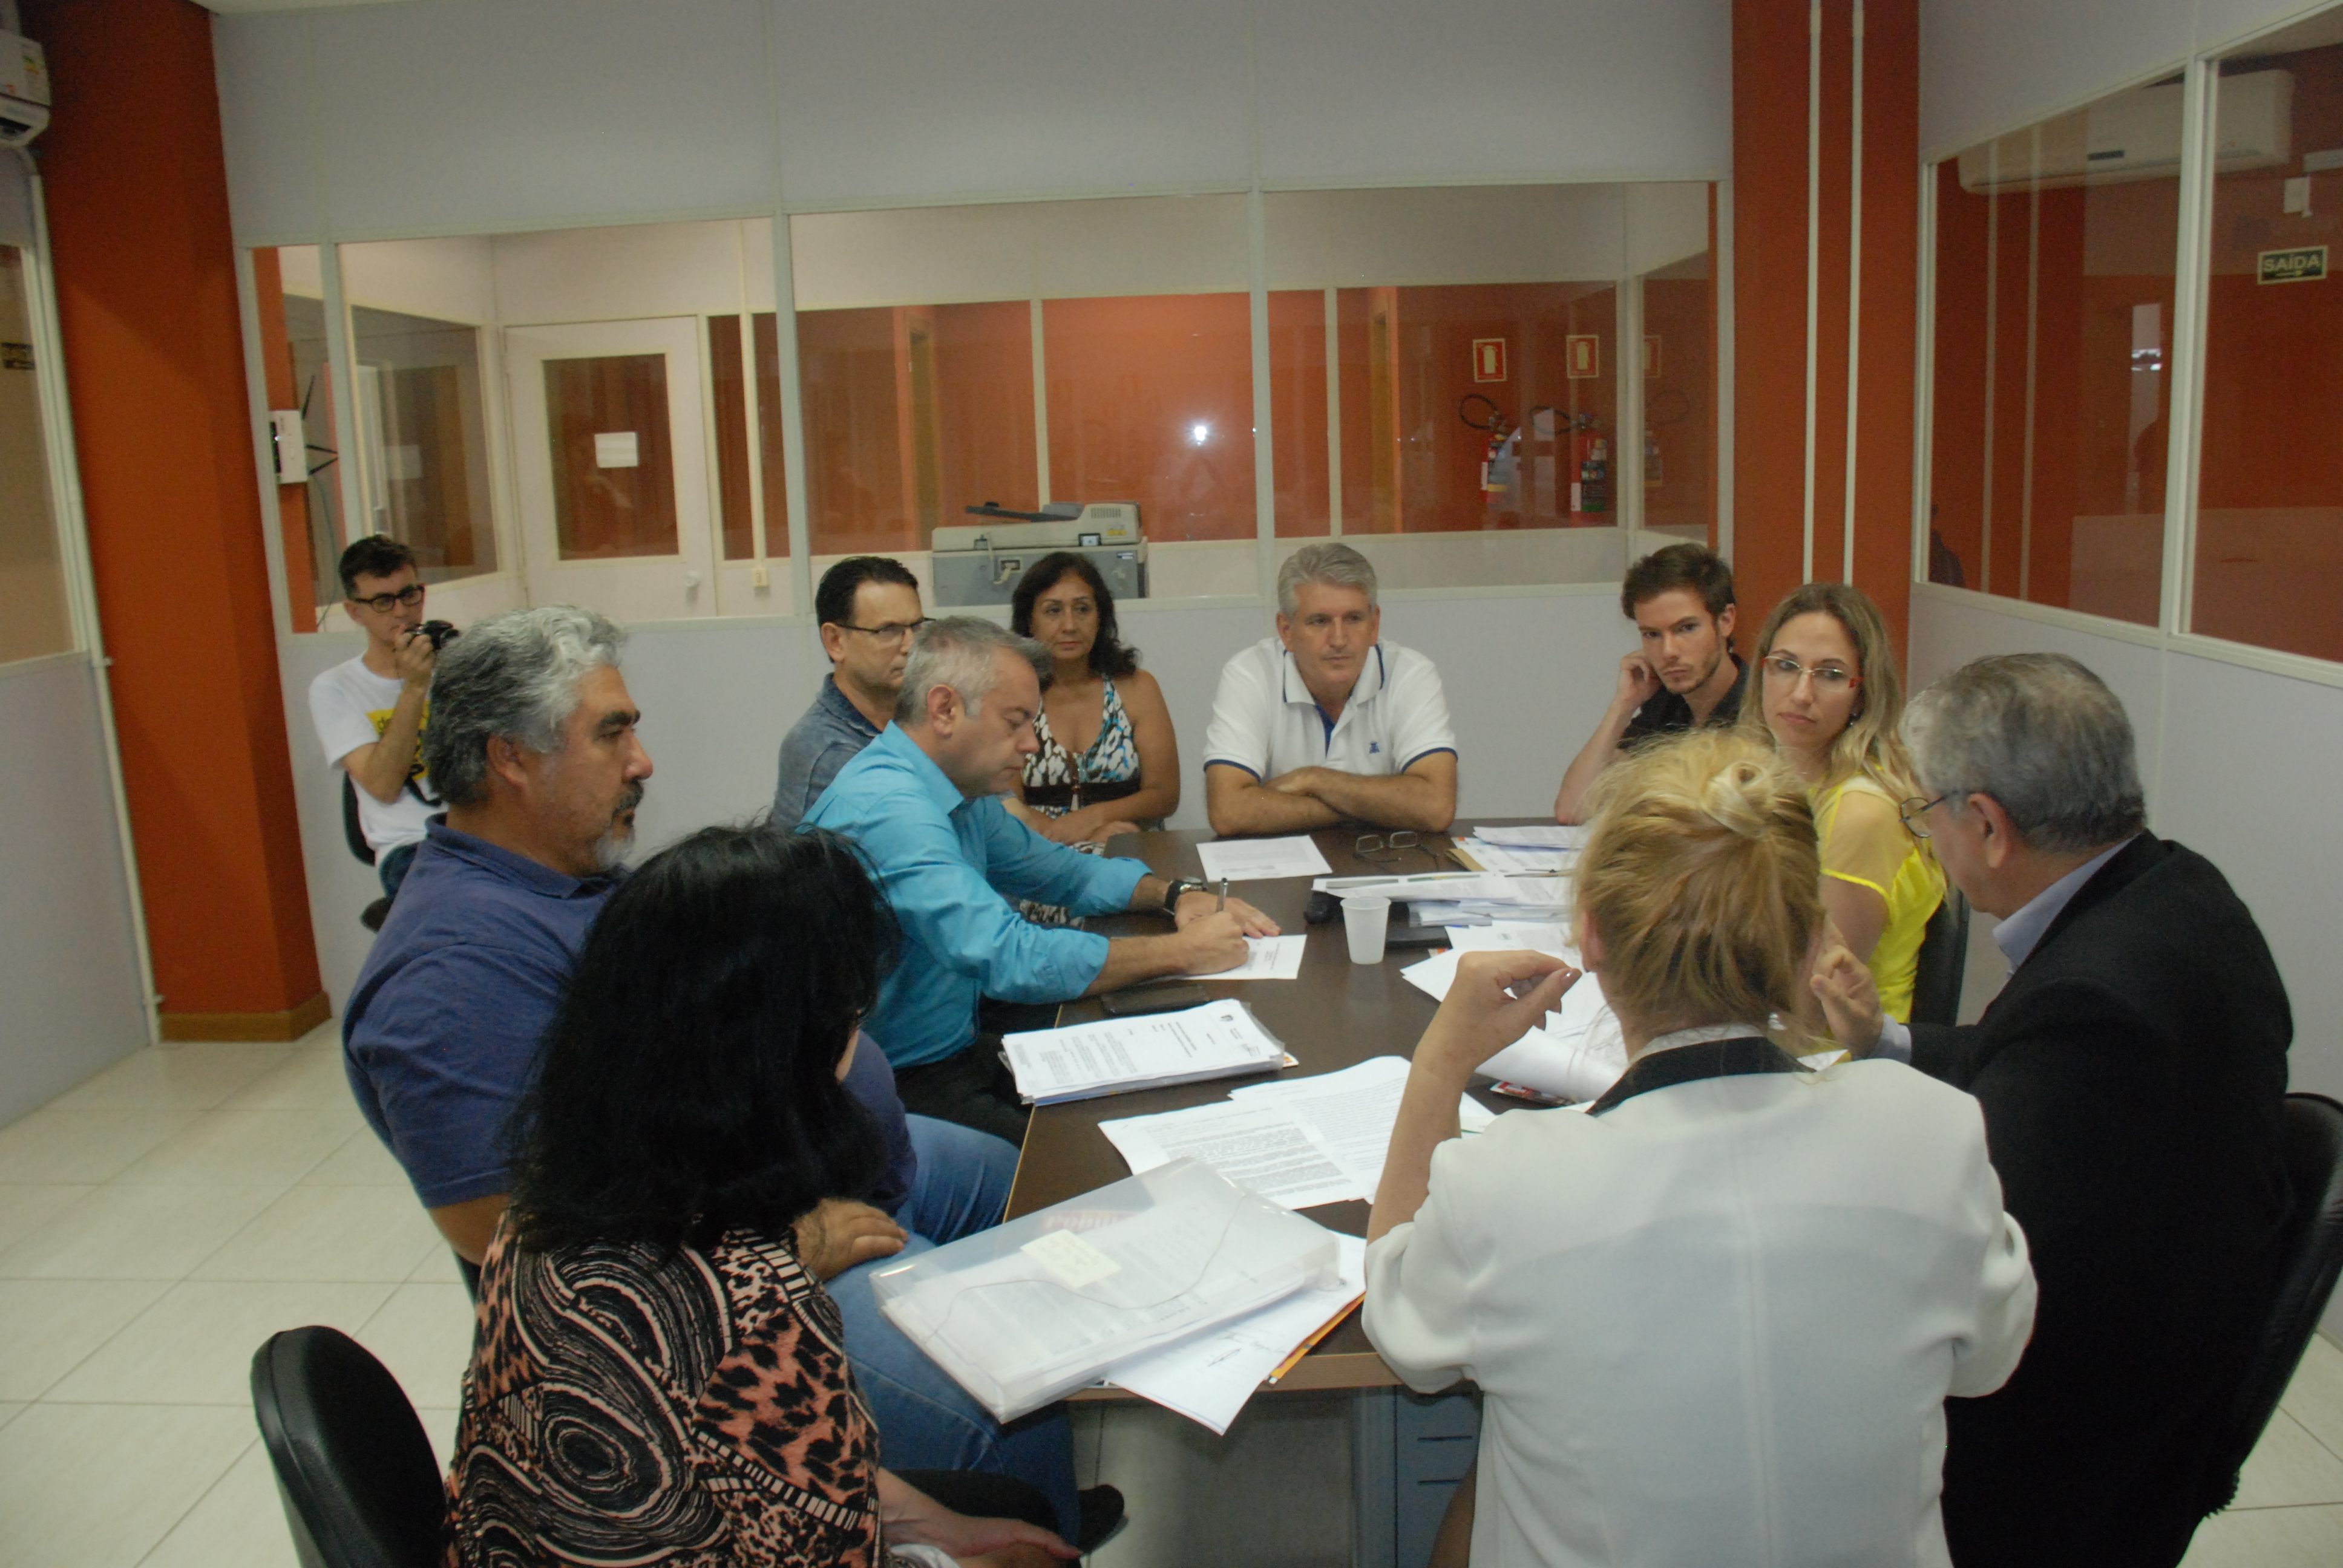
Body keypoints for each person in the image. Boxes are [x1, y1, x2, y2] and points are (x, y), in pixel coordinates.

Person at [342, 606, 1086, 1532]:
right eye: (613, 732)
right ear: (511, 758)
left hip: (789, 1181)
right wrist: (778, 1256)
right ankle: (1025, 1514)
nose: (643, 760)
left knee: (1039, 1186)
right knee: (1013, 1400)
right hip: (723, 1293)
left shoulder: (569, 879)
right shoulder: (452, 971)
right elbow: (502, 1230)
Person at [1365, 729, 2036, 1568]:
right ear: (1810, 941)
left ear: (1594, 938)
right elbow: (1989, 1356)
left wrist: (1438, 1063)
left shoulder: (1510, 1184)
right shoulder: (1936, 1134)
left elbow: (1400, 1326)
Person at [447, 825, 1086, 1568]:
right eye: (851, 1017)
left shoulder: (540, 1210)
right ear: (792, 1056)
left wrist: (932, 1523)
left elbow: (772, 1468)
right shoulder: (764, 1313)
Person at [1814, 653, 2293, 1568]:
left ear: (1988, 826)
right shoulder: (2177, 893)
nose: (1928, 841)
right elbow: (2018, 1059)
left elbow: (1960, 1246)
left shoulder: (2097, 1002)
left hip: (2072, 1453)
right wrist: (1885, 1038)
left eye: (1928, 817)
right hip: (2146, 1338)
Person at [805, 617, 1277, 1143]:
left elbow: (1058, 871)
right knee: (1088, 1165)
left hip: (957, 1043)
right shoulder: (891, 811)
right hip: (893, 1083)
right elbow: (1008, 956)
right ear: (944, 710)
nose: (1032, 744)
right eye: (1017, 721)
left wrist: (1173, 894)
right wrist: (1181, 953)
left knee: (1150, 1100)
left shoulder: (954, 790)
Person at [1737, 581, 1944, 1024]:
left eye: (1830, 675)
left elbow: (1812, 1005)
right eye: (1786, 666)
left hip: (1838, 1058)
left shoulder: (1860, 812)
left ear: (1862, 694)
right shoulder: (1772, 778)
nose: (1801, 694)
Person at [1202, 543, 1457, 837]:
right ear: (1286, 631)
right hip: (1281, 872)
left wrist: (1313, 780)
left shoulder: (1410, 673)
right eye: (1320, 621)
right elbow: (1229, 811)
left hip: (1383, 866)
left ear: (1375, 625)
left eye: (1353, 619)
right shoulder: (1251, 673)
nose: (1339, 639)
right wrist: (1371, 808)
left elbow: (1436, 807)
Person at [1552, 541, 1744, 823]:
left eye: (1686, 628)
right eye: (1652, 635)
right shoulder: (1666, 705)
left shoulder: (1760, 708)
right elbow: (1574, 809)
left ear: (1726, 621)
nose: (1668, 652)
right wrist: (1623, 705)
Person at [1008, 552, 1179, 842]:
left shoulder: (1137, 688)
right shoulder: (1011, 695)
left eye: (1083, 609)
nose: (1070, 625)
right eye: (1053, 611)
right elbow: (1004, 801)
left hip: (1124, 846)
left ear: (1101, 617)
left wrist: (1093, 821)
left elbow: (1165, 795)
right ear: (1029, 621)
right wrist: (1064, 834)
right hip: (1039, 853)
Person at [307, 534, 440, 904]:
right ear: (355, 612)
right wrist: (415, 689)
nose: (402, 613)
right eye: (383, 602)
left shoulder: (457, 669)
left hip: (477, 833)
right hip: (411, 847)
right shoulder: (335, 688)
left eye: (410, 595)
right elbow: (383, 785)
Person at [773, 555, 928, 832]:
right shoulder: (825, 748)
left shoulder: (930, 714)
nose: (911, 645)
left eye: (916, 627)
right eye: (888, 630)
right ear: (835, 642)